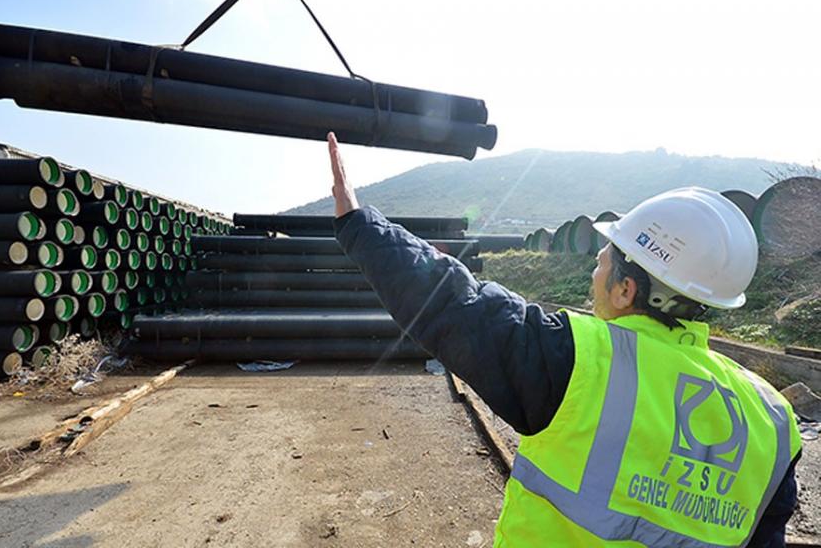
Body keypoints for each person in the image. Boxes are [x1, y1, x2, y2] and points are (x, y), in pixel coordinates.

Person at [326, 132, 802, 548]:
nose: (595, 272)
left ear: (624, 289)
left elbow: (454, 303)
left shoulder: (580, 360)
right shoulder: (773, 421)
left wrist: (358, 222)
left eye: (602, 261)